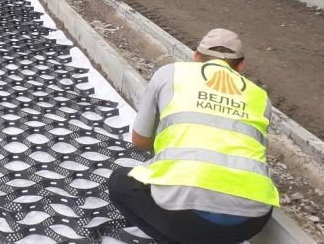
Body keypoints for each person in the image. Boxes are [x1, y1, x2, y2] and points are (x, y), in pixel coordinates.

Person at [108, 28, 278, 244]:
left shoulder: (171, 73)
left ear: (196, 56)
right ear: (241, 65)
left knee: (119, 182)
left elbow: (140, 140)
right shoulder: (261, 97)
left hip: (185, 218)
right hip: (251, 220)